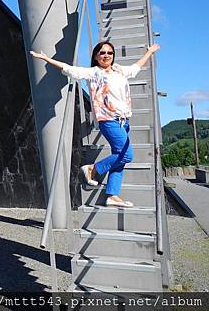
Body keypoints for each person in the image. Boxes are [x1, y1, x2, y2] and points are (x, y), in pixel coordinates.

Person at [30, 41, 160, 207]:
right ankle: (92, 169)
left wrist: (149, 52)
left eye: (110, 53)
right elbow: (70, 69)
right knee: (127, 155)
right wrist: (46, 58)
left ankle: (112, 195)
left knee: (120, 158)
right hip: (108, 120)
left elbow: (136, 67)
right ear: (96, 56)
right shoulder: (93, 73)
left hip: (124, 121)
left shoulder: (120, 70)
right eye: (102, 53)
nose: (106, 56)